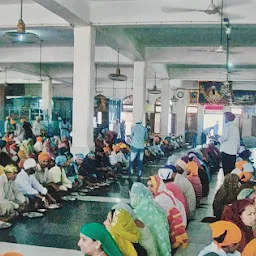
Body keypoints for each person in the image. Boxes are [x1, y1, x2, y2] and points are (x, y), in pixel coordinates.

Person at [130, 182, 171, 256]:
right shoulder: (153, 204)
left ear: (138, 196)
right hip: (164, 245)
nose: (132, 198)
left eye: (133, 195)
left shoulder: (138, 212)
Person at [147, 175, 188, 249]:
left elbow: (163, 220)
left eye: (151, 186)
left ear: (157, 185)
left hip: (176, 231)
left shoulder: (159, 199)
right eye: (148, 186)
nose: (149, 188)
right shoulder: (165, 191)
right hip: (182, 223)